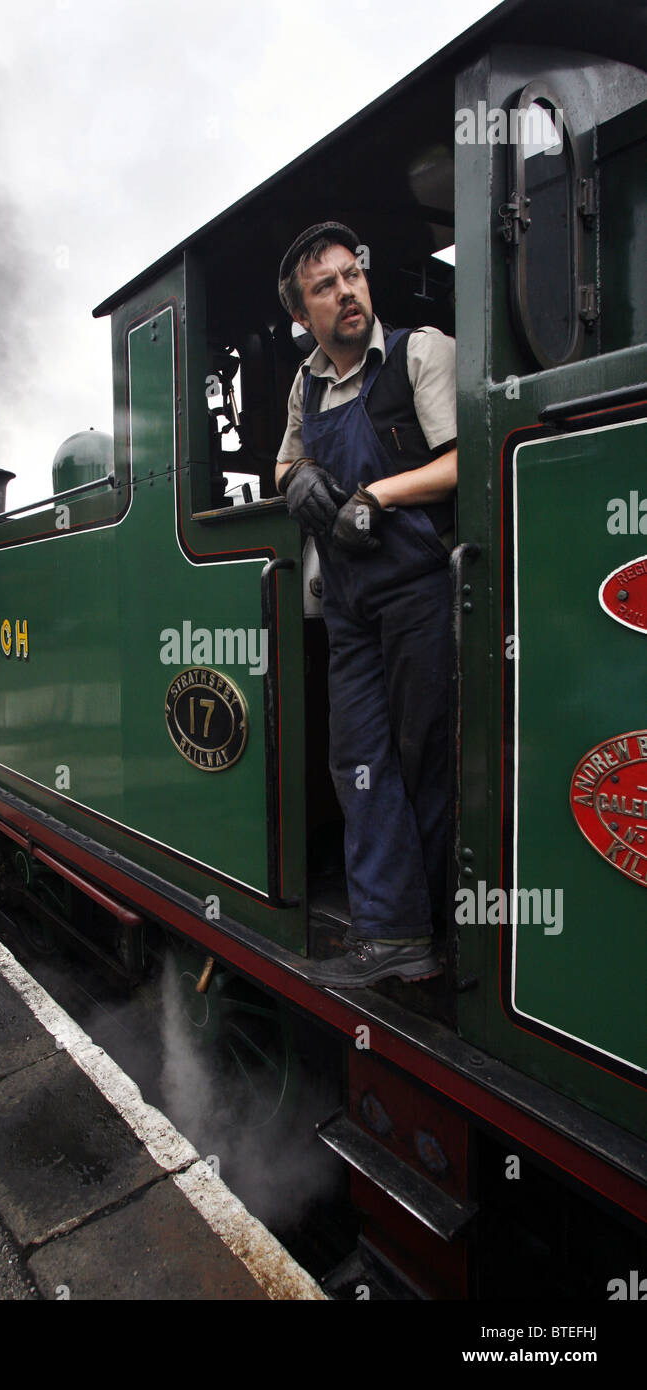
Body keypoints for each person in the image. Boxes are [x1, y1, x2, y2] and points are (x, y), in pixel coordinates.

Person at [275, 222, 457, 987]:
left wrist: (376, 495)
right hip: (348, 606)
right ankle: (390, 936)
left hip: (419, 589)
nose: (347, 291)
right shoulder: (306, 382)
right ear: (304, 313)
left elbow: (464, 457)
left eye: (353, 275)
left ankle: (451, 940)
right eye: (326, 286)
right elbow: (287, 456)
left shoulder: (422, 350)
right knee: (358, 761)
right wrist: (295, 481)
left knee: (427, 759)